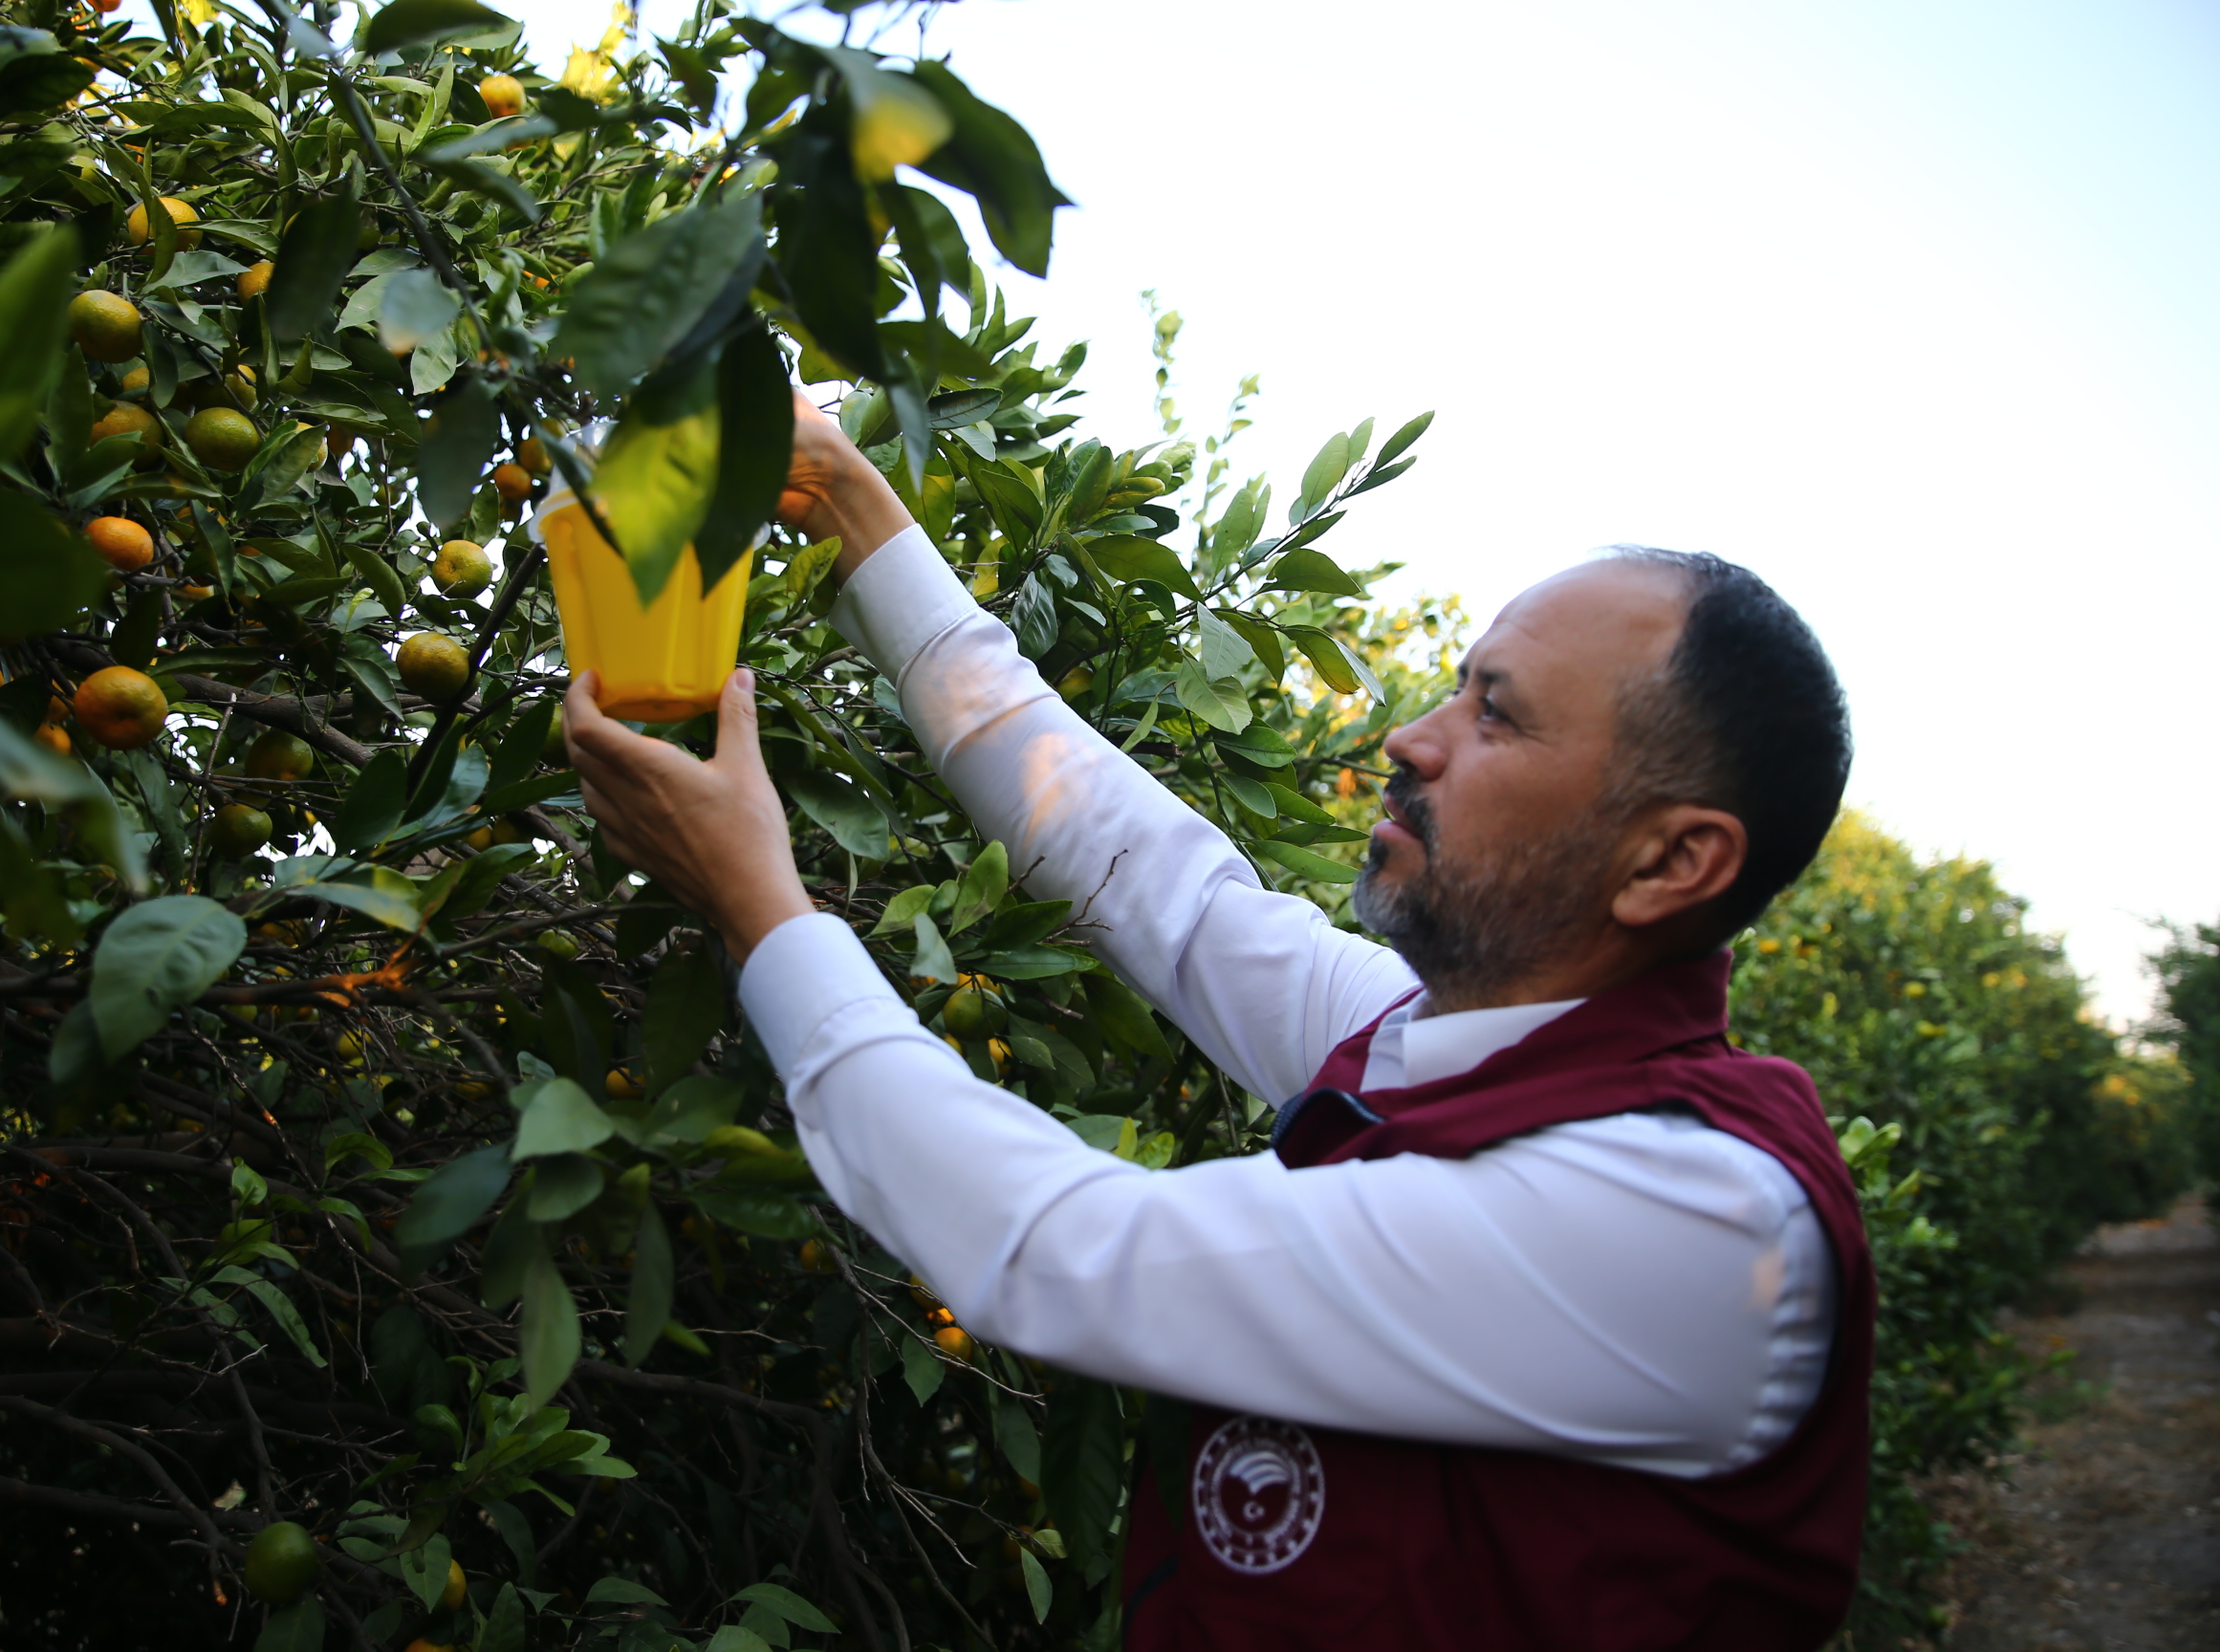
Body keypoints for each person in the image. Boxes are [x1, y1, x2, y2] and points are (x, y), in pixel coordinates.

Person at [560, 399, 1869, 1650]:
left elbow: (1062, 1251)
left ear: (1669, 864)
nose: (1415, 739)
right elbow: (1150, 876)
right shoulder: (1437, 1044)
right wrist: (856, 508)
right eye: (1457, 688)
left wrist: (761, 908)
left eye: (1497, 715)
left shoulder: (1691, 1218)